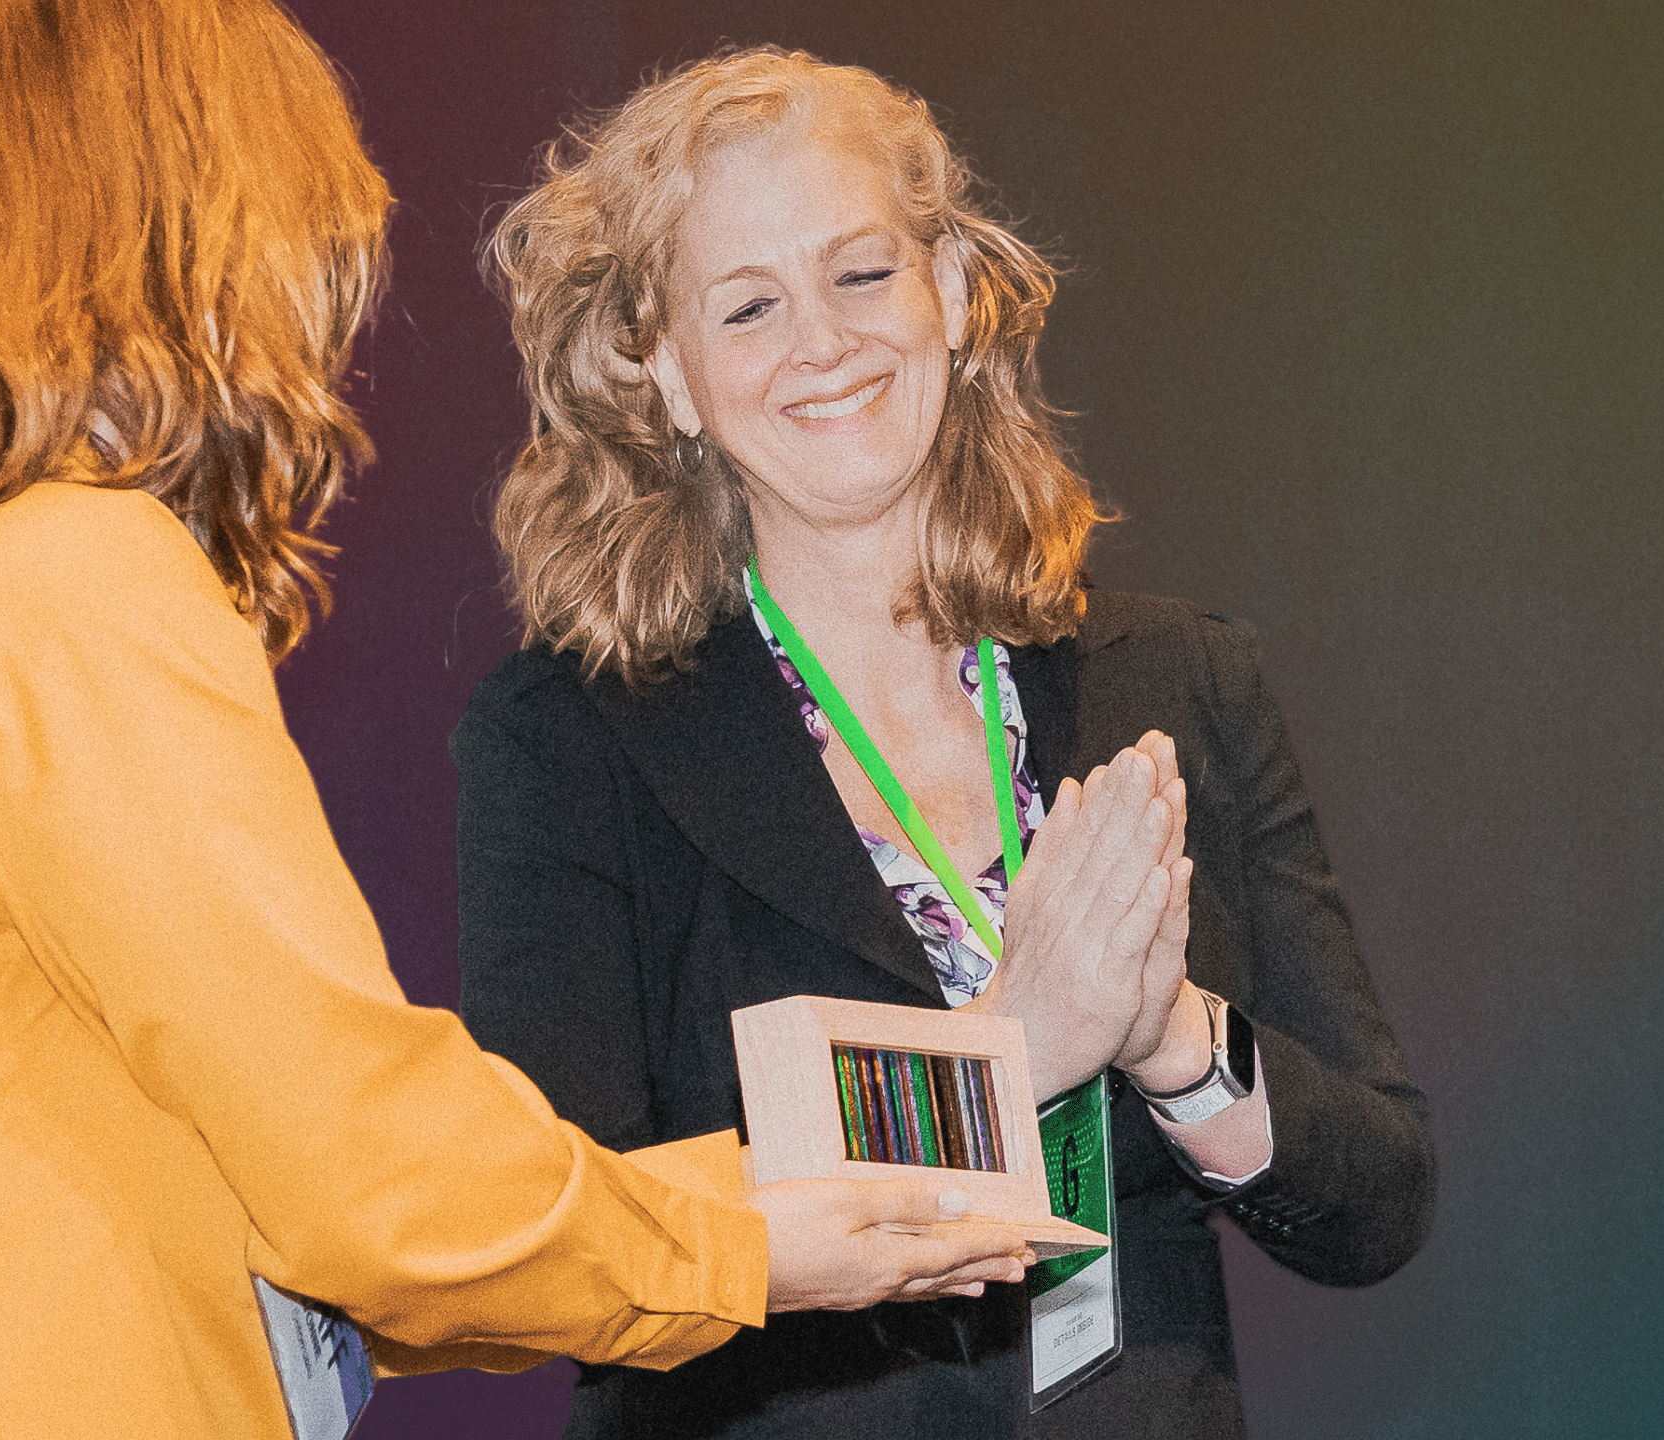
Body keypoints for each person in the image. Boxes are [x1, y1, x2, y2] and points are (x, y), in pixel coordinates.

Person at [0, 8, 1045, 1440]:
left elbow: (300, 1209)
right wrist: (751, 1243)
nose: (321, 301)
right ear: (186, 225)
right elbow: (374, 1180)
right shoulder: (64, 584)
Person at [457, 47, 1435, 1438]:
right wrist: (1013, 1053)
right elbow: (564, 1232)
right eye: (748, 307)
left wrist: (1165, 1036)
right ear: (668, 376)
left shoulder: (1174, 677)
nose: (824, 343)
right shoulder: (570, 742)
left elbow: (1378, 1202)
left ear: (956, 297)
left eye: (863, 275)